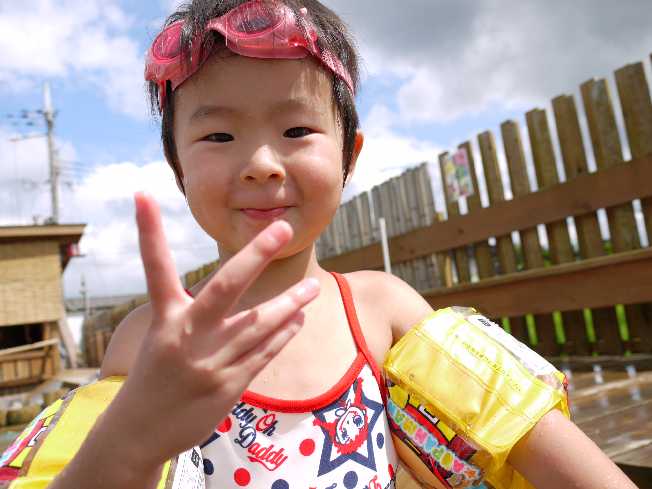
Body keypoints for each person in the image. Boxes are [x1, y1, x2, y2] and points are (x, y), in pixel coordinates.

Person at [46, 0, 635, 488]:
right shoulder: (148, 341)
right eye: (219, 135)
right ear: (179, 168)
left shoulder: (383, 310)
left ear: (349, 156)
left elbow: (555, 454)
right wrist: (130, 438)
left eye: (296, 130)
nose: (261, 163)